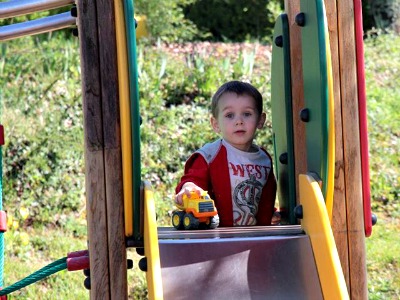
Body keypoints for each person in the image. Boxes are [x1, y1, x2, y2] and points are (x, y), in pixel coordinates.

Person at [175, 80, 278, 227]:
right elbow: (193, 179)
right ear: (216, 124)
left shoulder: (263, 159)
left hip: (252, 237)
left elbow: (265, 198)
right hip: (216, 237)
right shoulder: (209, 155)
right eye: (230, 115)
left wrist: (269, 216)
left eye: (247, 114)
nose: (239, 121)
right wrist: (189, 188)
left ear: (260, 120)